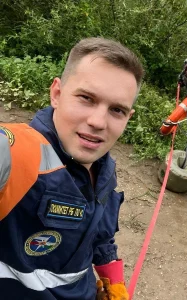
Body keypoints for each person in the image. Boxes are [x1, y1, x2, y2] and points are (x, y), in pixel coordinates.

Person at [0, 38, 144, 300]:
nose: (98, 122)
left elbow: (101, 235)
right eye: (86, 98)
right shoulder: (16, 153)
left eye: (117, 110)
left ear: (128, 118)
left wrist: (113, 282)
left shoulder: (105, 170)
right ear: (57, 93)